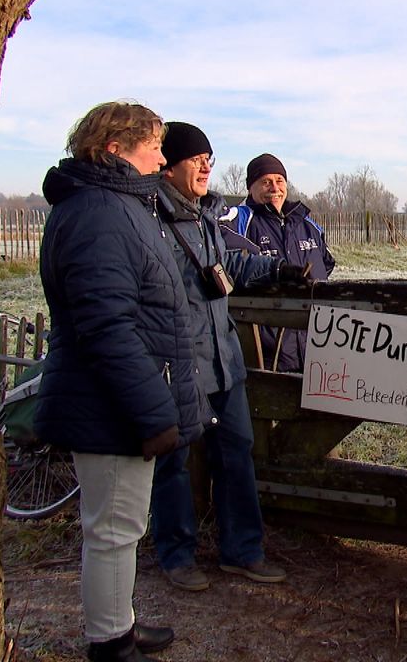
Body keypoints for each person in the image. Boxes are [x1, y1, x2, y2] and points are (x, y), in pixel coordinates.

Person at [35, 102, 210, 662]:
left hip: (119, 399)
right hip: (108, 404)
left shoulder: (118, 206)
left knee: (125, 523)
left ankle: (119, 624)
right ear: (115, 149)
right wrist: (152, 410)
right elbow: (106, 325)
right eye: (153, 146)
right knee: (112, 529)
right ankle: (109, 645)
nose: (162, 158)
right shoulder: (98, 213)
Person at [150, 122, 305, 592]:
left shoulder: (205, 216)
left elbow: (230, 265)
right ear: (168, 164)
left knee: (237, 452)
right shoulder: (149, 220)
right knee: (173, 461)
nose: (205, 166)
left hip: (224, 359)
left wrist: (277, 268)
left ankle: (242, 551)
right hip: (178, 361)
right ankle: (176, 556)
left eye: (209, 159)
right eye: (195, 158)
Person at [224, 153, 336, 371]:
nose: (274, 188)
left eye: (279, 181)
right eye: (265, 182)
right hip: (265, 352)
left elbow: (326, 264)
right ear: (250, 187)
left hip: (314, 345)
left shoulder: (307, 224)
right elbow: (230, 271)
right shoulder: (237, 221)